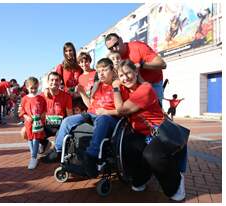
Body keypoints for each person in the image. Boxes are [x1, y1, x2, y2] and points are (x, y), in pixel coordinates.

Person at [112, 60, 185, 201]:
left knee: (152, 155)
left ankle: (176, 182)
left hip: (159, 132)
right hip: (141, 134)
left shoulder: (145, 88)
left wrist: (115, 88)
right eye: (121, 75)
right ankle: (141, 178)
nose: (125, 78)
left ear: (135, 72)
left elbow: (121, 110)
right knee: (128, 146)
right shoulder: (126, 90)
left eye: (128, 73)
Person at [42, 58, 120, 178]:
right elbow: (90, 105)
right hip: (91, 114)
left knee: (102, 119)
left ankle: (91, 156)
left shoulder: (118, 86)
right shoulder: (98, 86)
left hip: (108, 117)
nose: (101, 74)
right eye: (99, 71)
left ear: (113, 71)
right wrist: (83, 92)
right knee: (67, 120)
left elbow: (122, 110)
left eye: (104, 70)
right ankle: (57, 150)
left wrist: (106, 111)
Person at [105, 33, 167, 105]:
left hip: (153, 82)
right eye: (111, 48)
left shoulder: (138, 47)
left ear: (121, 40)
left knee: (156, 108)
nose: (115, 49)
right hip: (134, 86)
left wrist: (141, 65)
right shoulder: (113, 57)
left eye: (116, 44)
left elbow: (162, 64)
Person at [19, 77, 47, 169]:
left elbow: (44, 109)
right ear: (27, 87)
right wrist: (26, 117)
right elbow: (22, 111)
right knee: (30, 138)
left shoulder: (40, 98)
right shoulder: (24, 99)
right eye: (31, 88)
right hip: (29, 123)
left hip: (38, 122)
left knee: (36, 138)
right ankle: (33, 154)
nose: (34, 90)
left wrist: (42, 115)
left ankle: (33, 157)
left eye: (35, 87)